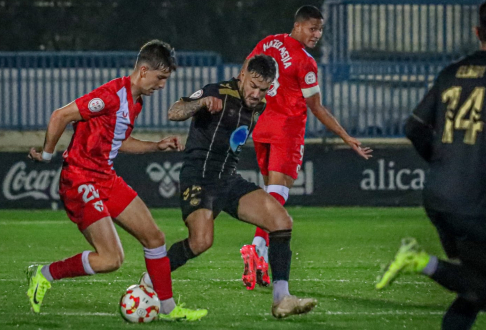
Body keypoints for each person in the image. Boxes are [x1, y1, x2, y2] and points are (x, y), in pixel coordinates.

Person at [25, 40, 207, 321]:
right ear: (143, 70)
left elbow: (118, 142)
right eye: (160, 78)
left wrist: (154, 146)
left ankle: (169, 309)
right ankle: (43, 273)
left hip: (104, 177)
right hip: (79, 178)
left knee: (155, 237)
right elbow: (60, 115)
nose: (161, 86)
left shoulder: (135, 103)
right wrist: (47, 155)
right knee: (111, 259)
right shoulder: (111, 95)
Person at [140, 55, 317, 318]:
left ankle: (282, 299)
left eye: (264, 89)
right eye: (254, 86)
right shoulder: (217, 92)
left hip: (229, 180)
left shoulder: (261, 104)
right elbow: (175, 110)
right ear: (243, 74)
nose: (257, 94)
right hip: (199, 176)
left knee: (281, 220)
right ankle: (150, 279)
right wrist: (199, 103)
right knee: (200, 242)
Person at [376, 1, 486, 329]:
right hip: (476, 201)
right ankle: (422, 261)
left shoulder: (451, 73)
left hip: (438, 194)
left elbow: (413, 128)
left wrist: (445, 161)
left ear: (478, 32)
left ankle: (427, 265)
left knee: (472, 288)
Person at [242, 5, 372, 288]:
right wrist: (345, 136)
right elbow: (316, 107)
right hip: (286, 132)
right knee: (277, 196)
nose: (317, 34)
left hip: (261, 128)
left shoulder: (269, 42)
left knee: (270, 195)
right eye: (313, 29)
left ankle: (259, 256)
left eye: (320, 29)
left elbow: (246, 72)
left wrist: (243, 108)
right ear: (298, 26)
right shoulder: (305, 62)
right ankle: (256, 249)